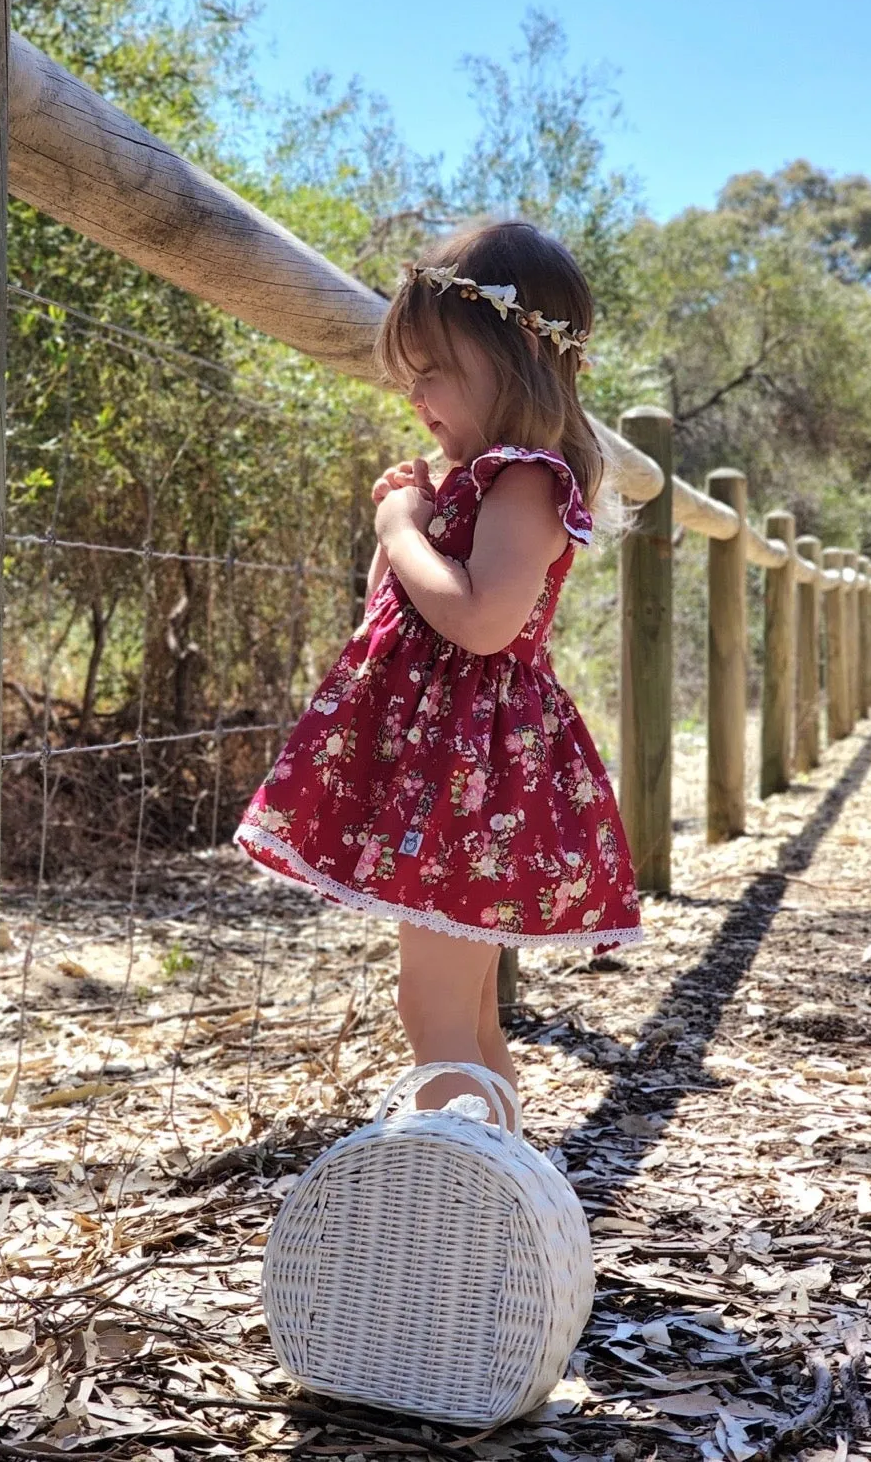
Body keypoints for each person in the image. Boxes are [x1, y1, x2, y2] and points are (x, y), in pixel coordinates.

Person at [234, 220, 643, 1119]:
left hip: (476, 780)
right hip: (446, 774)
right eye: (409, 375)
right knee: (461, 1008)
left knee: (432, 1005)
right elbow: (399, 610)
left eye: (436, 371)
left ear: (521, 361)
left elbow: (481, 622)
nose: (417, 395)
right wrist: (404, 528)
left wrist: (398, 530)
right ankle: (495, 1194)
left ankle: (457, 1201)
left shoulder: (527, 482)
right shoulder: (477, 478)